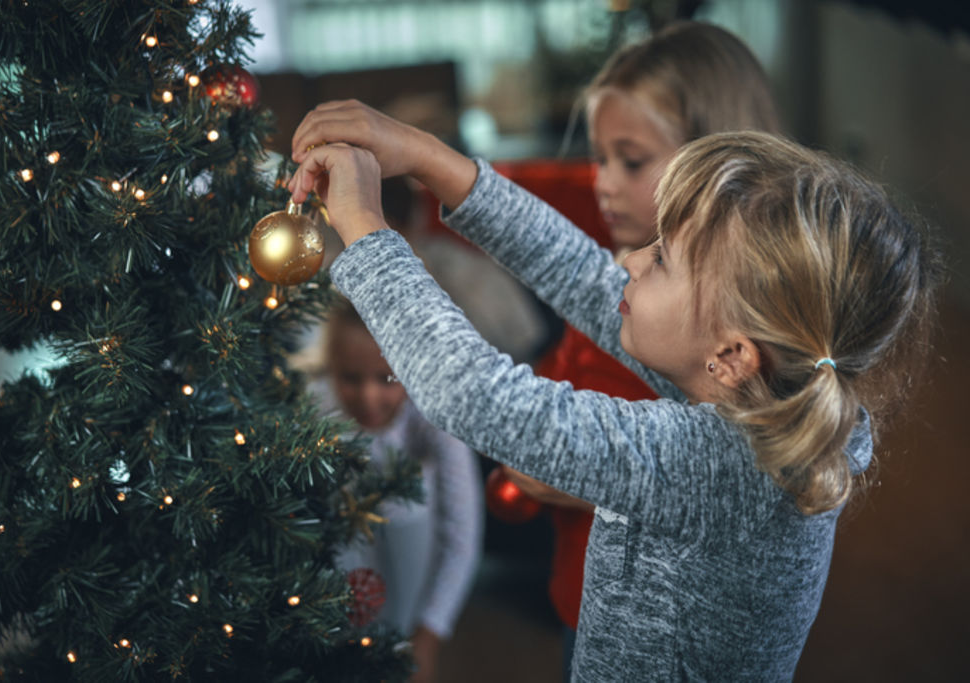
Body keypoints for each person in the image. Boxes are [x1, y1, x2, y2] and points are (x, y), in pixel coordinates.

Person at [286, 101, 939, 680]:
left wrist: (366, 229)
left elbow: (473, 393)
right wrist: (427, 157)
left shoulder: (718, 460)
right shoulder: (773, 393)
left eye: (660, 260)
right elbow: (582, 272)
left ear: (732, 354)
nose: (628, 260)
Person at [510, 20, 783, 678]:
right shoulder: (629, 277)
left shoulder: (700, 340)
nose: (602, 183)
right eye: (600, 158)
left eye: (629, 161)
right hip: (583, 583)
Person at [312, 300, 483, 683]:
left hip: (410, 591)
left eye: (386, 379)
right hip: (335, 591)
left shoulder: (436, 417)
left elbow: (461, 538)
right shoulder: (316, 410)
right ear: (332, 367)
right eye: (351, 378)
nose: (369, 397)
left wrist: (428, 635)